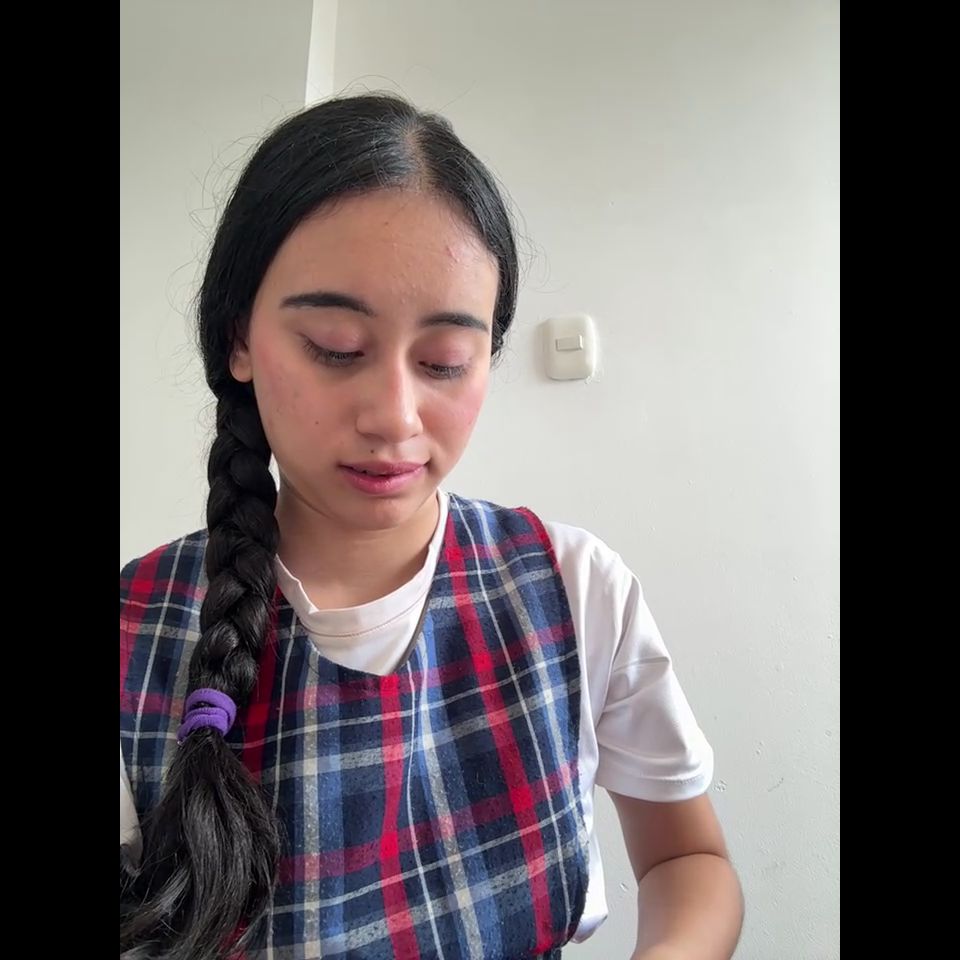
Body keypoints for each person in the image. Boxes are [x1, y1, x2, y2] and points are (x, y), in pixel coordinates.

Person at [120, 92, 743, 960]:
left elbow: (687, 858)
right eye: (336, 346)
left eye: (445, 361)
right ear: (239, 341)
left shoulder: (572, 587)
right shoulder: (138, 633)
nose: (395, 416)